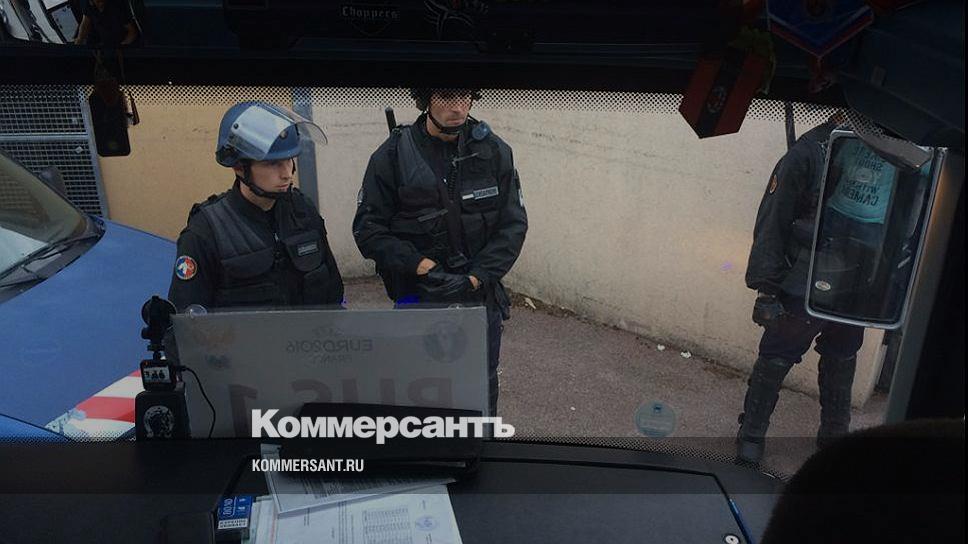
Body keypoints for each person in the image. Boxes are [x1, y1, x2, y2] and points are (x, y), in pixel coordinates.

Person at [353, 88, 528, 416]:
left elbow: (513, 225)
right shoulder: (392, 155)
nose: (458, 108)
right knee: (418, 392)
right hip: (419, 297)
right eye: (447, 97)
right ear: (425, 98)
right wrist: (422, 266)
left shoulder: (494, 151)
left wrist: (476, 277)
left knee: (479, 389)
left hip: (478, 298)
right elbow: (368, 230)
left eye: (465, 97)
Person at [737, 115, 865, 465]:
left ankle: (835, 435)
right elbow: (773, 222)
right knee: (777, 355)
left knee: (842, 354)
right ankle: (751, 434)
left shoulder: (876, 152)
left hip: (854, 279)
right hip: (804, 279)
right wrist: (766, 289)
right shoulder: (807, 153)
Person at [168, 101, 344, 312]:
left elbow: (333, 294)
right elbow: (189, 320)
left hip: (309, 334)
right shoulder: (206, 231)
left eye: (289, 159)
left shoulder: (303, 210)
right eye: (272, 163)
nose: (286, 173)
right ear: (239, 167)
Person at [74, 0, 139, 47]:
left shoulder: (117, 6)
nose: (100, 3)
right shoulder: (89, 5)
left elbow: (132, 32)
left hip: (121, 46)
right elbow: (85, 25)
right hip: (104, 46)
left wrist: (122, 47)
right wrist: (79, 41)